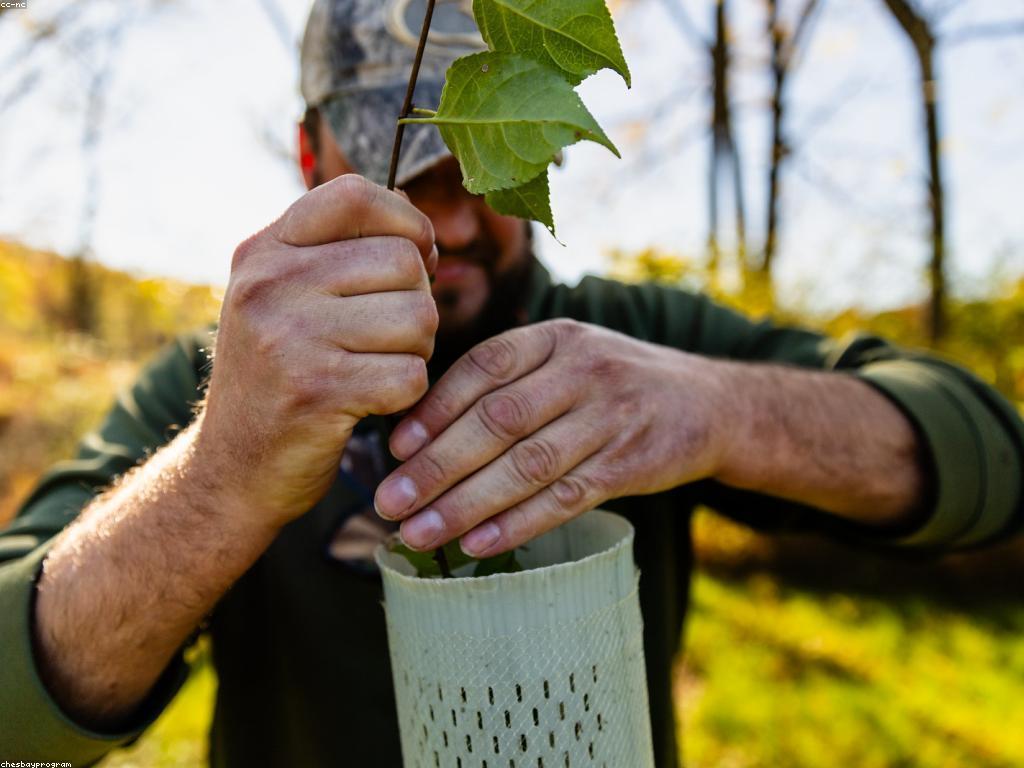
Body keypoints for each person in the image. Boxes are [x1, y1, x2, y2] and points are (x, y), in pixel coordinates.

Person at [1, 1, 1021, 766]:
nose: (448, 223)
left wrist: (721, 410)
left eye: (484, 166)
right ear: (313, 154)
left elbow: (993, 459)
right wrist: (221, 476)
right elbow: (13, 717)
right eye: (410, 171)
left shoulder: (634, 341)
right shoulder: (220, 386)